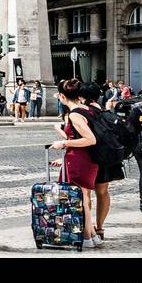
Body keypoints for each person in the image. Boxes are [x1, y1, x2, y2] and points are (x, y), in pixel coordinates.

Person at [49, 78, 100, 247]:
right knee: (84, 197)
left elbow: (90, 139)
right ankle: (93, 235)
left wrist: (64, 143)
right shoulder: (88, 109)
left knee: (80, 198)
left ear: (62, 97)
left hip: (79, 159)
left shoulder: (75, 114)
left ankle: (86, 237)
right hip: (88, 159)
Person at [79, 82, 121, 242]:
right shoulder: (104, 111)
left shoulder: (83, 112)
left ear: (81, 97)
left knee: (86, 193)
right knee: (103, 192)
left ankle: (88, 229)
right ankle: (100, 227)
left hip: (90, 156)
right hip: (107, 157)